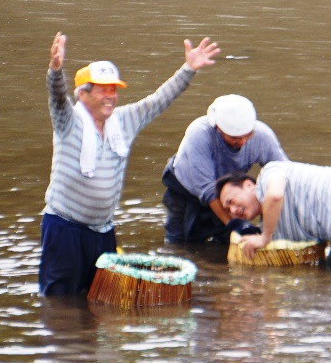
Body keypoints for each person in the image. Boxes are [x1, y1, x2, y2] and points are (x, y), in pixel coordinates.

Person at [40, 31, 220, 296]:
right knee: (60, 300)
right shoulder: (69, 122)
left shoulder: (123, 121)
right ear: (83, 94)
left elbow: (157, 101)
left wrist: (188, 69)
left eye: (113, 90)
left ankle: (87, 337)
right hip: (65, 227)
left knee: (101, 298)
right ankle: (63, 338)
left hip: (103, 231)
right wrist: (55, 70)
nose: (110, 96)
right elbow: (57, 98)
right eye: (103, 90)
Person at [215, 160, 331, 269]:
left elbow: (276, 195)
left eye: (231, 201)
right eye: (227, 210)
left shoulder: (269, 173)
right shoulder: (271, 222)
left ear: (248, 185)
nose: (232, 210)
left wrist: (265, 238)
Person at [162, 94, 289, 243]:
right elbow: (207, 190)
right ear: (218, 129)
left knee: (227, 243)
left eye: (247, 136)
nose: (242, 142)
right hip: (185, 190)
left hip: (228, 195)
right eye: (235, 138)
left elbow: (284, 172)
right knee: (180, 242)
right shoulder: (199, 134)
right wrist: (234, 224)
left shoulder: (262, 136)